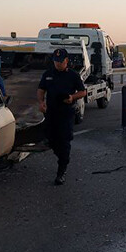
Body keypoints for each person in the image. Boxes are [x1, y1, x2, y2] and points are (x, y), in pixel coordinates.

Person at [37, 48, 87, 185]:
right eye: (55, 61)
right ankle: (61, 157)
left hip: (66, 113)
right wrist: (41, 102)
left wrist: (72, 97)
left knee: (64, 142)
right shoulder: (48, 74)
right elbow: (41, 89)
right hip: (51, 112)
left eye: (60, 61)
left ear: (66, 60)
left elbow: (83, 92)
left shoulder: (73, 75)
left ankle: (61, 170)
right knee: (50, 139)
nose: (58, 64)